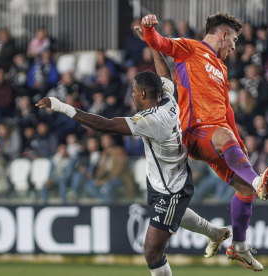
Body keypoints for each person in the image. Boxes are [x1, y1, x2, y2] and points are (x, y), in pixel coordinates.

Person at [36, 39, 232, 276]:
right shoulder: (168, 99)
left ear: (142, 93)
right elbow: (165, 75)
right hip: (165, 180)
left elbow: (104, 125)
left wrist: (60, 106)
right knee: (173, 219)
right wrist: (153, 43)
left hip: (170, 189)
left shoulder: (151, 120)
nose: (131, 95)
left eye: (133, 92)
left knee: (151, 252)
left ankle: (213, 234)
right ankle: (215, 233)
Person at [141, 13, 268, 271]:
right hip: (194, 132)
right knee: (246, 172)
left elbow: (227, 110)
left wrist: (238, 141)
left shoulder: (222, 68)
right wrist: (149, 29)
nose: (234, 47)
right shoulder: (190, 49)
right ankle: (258, 179)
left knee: (245, 191)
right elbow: (160, 43)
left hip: (218, 139)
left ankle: (240, 247)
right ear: (223, 34)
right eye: (234, 40)